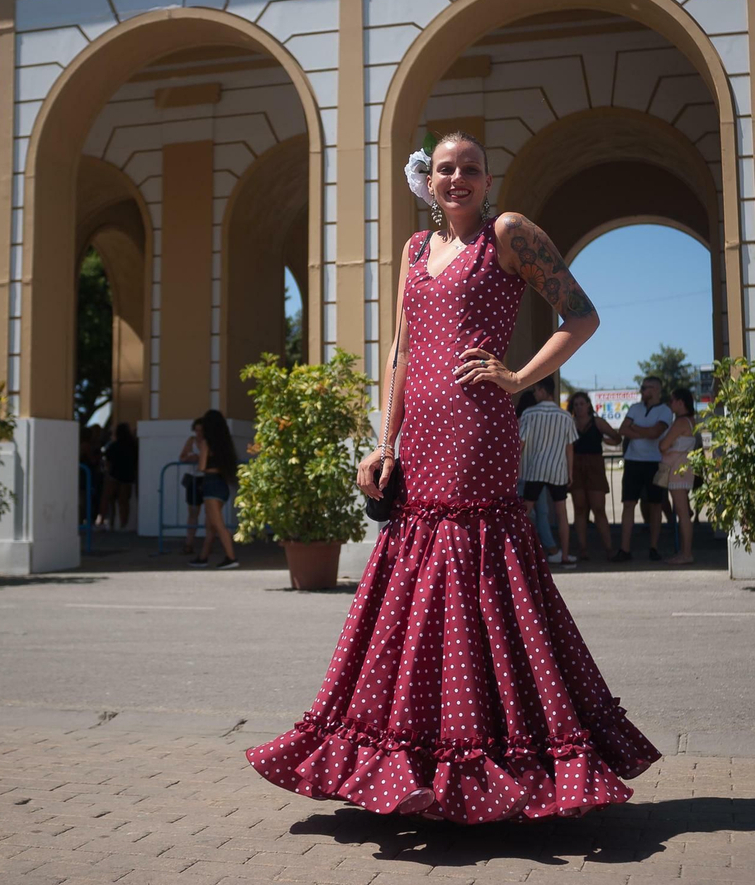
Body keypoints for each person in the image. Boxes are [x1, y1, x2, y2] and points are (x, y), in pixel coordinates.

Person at [246, 131, 660, 823]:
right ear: (428, 179)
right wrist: (384, 445)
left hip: (479, 433)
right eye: (446, 169)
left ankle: (489, 757)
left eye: (470, 168)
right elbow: (401, 356)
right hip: (422, 442)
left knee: (475, 573)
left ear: (487, 177)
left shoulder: (508, 233)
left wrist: (520, 377)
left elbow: (581, 315)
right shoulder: (413, 250)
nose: (458, 178)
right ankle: (414, 758)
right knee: (417, 581)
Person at [518, 377, 578, 566]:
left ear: (543, 391)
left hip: (534, 469)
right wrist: (570, 472)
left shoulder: (529, 414)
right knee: (561, 513)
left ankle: (518, 553)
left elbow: (521, 443)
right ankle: (565, 555)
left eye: (536, 390)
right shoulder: (565, 416)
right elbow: (569, 448)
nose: (535, 394)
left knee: (524, 512)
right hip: (557, 470)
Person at [617, 376, 674, 562]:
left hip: (656, 463)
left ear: (657, 389)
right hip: (632, 461)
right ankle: (624, 549)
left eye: (646, 388)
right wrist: (644, 431)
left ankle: (653, 548)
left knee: (656, 505)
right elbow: (622, 430)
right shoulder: (635, 408)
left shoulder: (665, 410)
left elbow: (655, 433)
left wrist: (635, 428)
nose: (642, 391)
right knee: (628, 504)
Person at [567, 391, 619, 560]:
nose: (579, 407)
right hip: (575, 466)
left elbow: (617, 438)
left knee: (599, 509)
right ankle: (583, 549)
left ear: (588, 405)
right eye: (576, 404)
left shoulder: (598, 422)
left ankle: (609, 548)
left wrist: (606, 441)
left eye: (582, 404)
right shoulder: (570, 423)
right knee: (579, 508)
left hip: (595, 466)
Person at [188, 409, 240, 570]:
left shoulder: (206, 442)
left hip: (211, 485)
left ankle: (231, 557)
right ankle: (203, 557)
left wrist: (197, 458)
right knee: (210, 525)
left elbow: (202, 466)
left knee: (217, 524)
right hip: (222, 484)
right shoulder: (224, 443)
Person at [657, 388, 698, 565]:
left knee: (682, 513)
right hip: (684, 468)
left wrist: (663, 444)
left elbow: (663, 445)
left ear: (680, 402)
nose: (670, 403)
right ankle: (684, 551)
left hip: (677, 470)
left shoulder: (680, 422)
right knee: (683, 511)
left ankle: (686, 553)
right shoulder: (690, 421)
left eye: (672, 400)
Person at [102, 422, 137, 532]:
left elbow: (108, 462)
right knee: (123, 502)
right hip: (127, 477)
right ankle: (123, 524)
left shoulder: (113, 446)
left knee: (107, 500)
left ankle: (104, 522)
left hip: (113, 476)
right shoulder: (133, 446)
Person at [177, 421, 203, 555]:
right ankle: (189, 542)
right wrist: (190, 458)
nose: (198, 433)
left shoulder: (208, 442)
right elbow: (181, 457)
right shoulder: (191, 441)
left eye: (201, 430)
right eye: (196, 430)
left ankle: (208, 543)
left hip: (205, 477)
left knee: (211, 511)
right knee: (193, 511)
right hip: (193, 478)